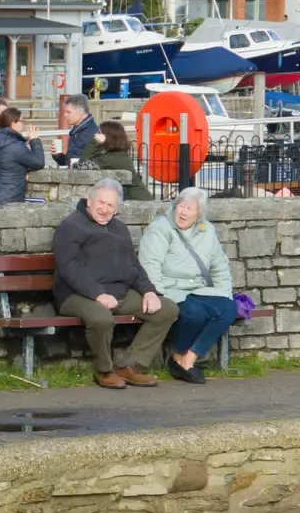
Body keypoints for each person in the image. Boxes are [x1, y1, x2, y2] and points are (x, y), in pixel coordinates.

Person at [53, 178, 178, 389]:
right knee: (101, 318)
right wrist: (97, 294)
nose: (104, 209)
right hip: (77, 294)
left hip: (119, 292)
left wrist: (148, 292)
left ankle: (129, 366)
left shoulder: (119, 229)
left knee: (167, 309)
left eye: (111, 205)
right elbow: (70, 268)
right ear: (89, 201)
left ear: (117, 208)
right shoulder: (70, 226)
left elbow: (134, 266)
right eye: (101, 203)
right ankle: (104, 370)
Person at [138, 187, 235, 384]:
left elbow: (219, 265)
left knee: (229, 309)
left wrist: (225, 293)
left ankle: (187, 359)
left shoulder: (206, 230)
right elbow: (150, 265)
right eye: (180, 206)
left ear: (199, 213)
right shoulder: (160, 228)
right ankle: (178, 357)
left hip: (198, 288)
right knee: (195, 313)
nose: (182, 212)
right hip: (169, 289)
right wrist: (156, 294)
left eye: (189, 208)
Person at [0, 106, 47, 206]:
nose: (22, 124)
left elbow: (5, 164)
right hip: (8, 201)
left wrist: (24, 170)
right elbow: (38, 162)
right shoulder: (15, 145)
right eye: (22, 121)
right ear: (13, 123)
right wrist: (34, 140)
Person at [78, 120, 151, 201]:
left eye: (99, 133)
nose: (95, 135)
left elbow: (82, 164)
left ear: (108, 136)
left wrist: (94, 142)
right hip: (139, 197)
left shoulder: (110, 159)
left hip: (137, 201)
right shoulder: (119, 154)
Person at [53, 94, 98, 167]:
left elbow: (83, 163)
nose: (65, 115)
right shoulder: (76, 131)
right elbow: (71, 161)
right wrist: (58, 156)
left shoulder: (91, 133)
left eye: (68, 112)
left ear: (81, 113)